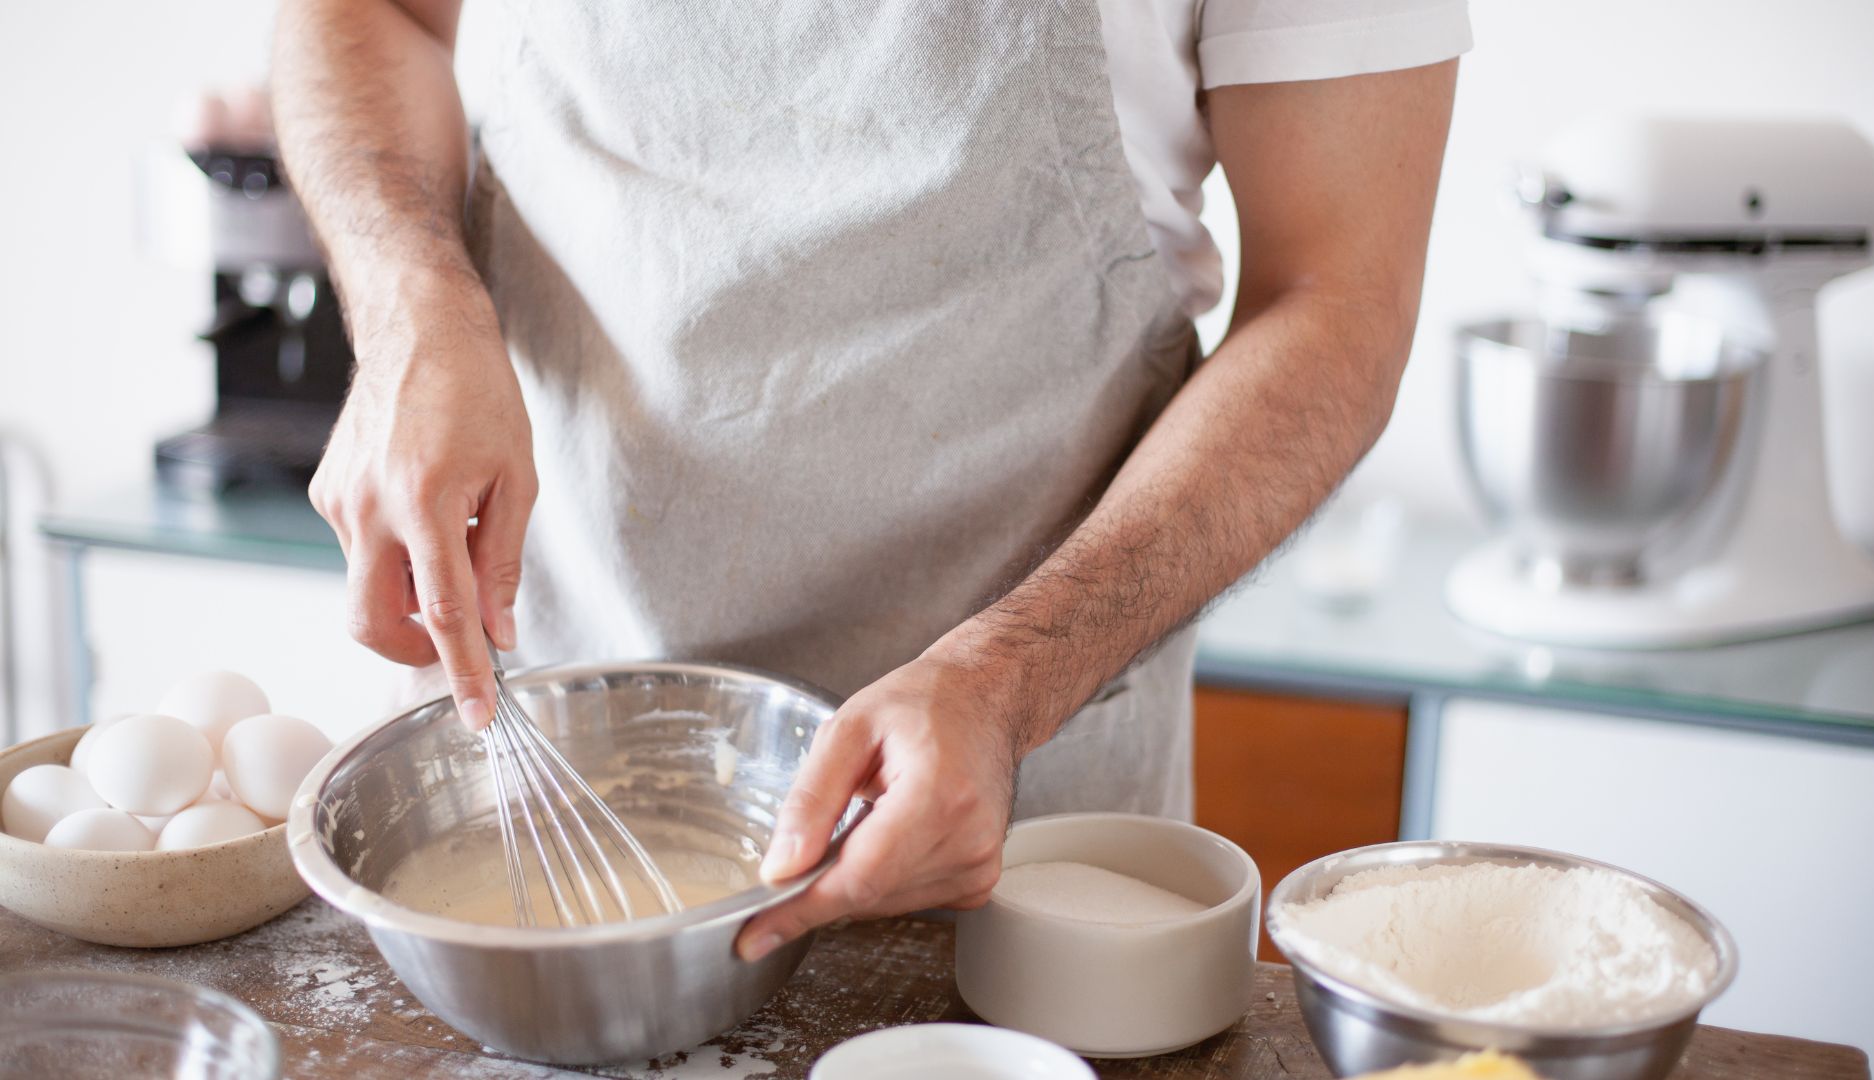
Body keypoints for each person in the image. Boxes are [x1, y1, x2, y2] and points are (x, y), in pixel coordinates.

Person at [272, 0, 1467, 961]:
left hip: (1011, 837)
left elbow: (1339, 299)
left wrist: (1005, 686)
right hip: (537, 762)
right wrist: (409, 304)